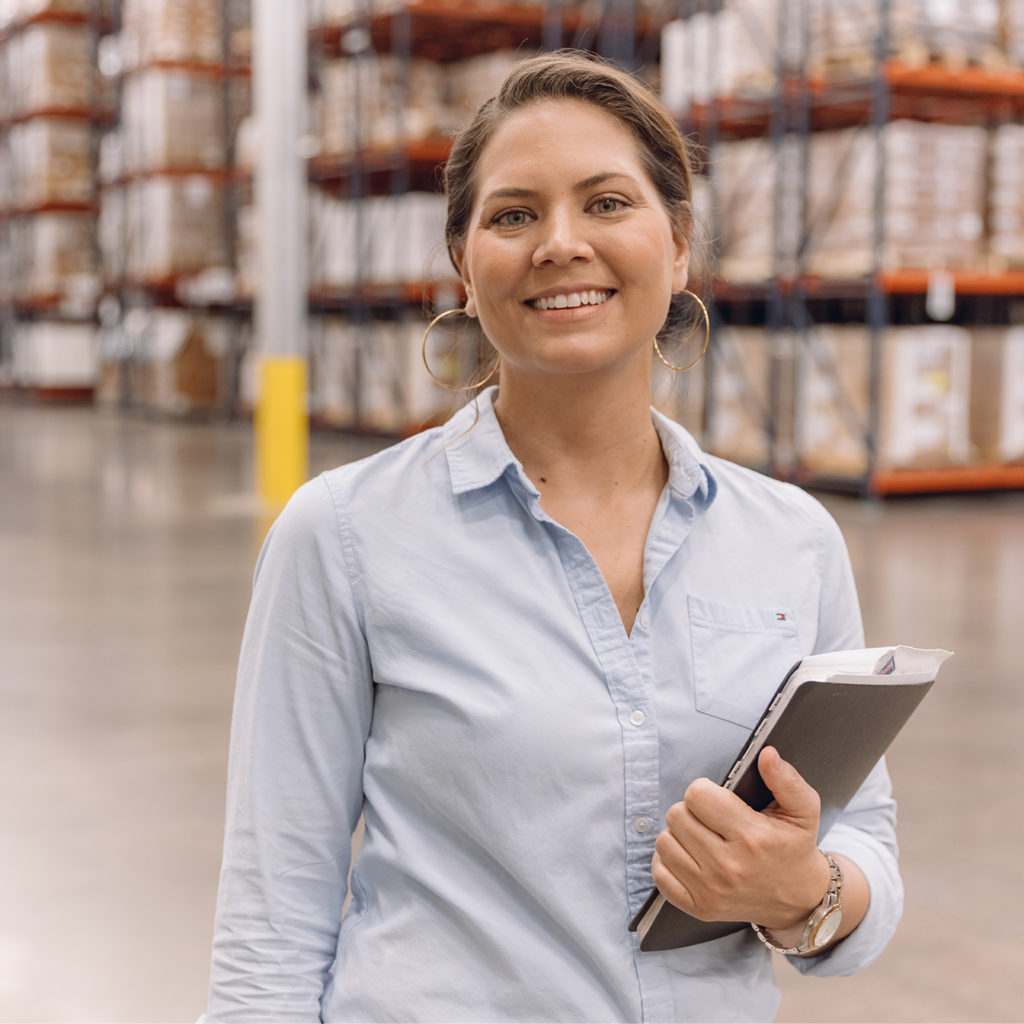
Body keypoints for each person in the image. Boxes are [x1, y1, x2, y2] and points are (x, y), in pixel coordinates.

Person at [206, 49, 902, 1022]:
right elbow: (272, 916)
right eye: (513, 214)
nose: (558, 243)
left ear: (677, 246)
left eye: (607, 203)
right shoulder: (347, 535)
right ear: (463, 259)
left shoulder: (790, 539)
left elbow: (861, 839)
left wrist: (800, 894)